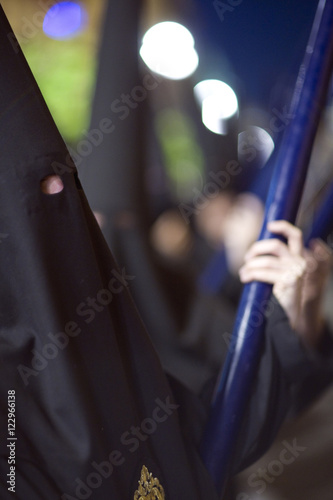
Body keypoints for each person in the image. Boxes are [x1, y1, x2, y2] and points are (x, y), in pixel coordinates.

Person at [0, 6, 333, 499]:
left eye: (67, 196)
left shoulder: (108, 321)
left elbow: (221, 420)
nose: (83, 221)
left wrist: (294, 312)